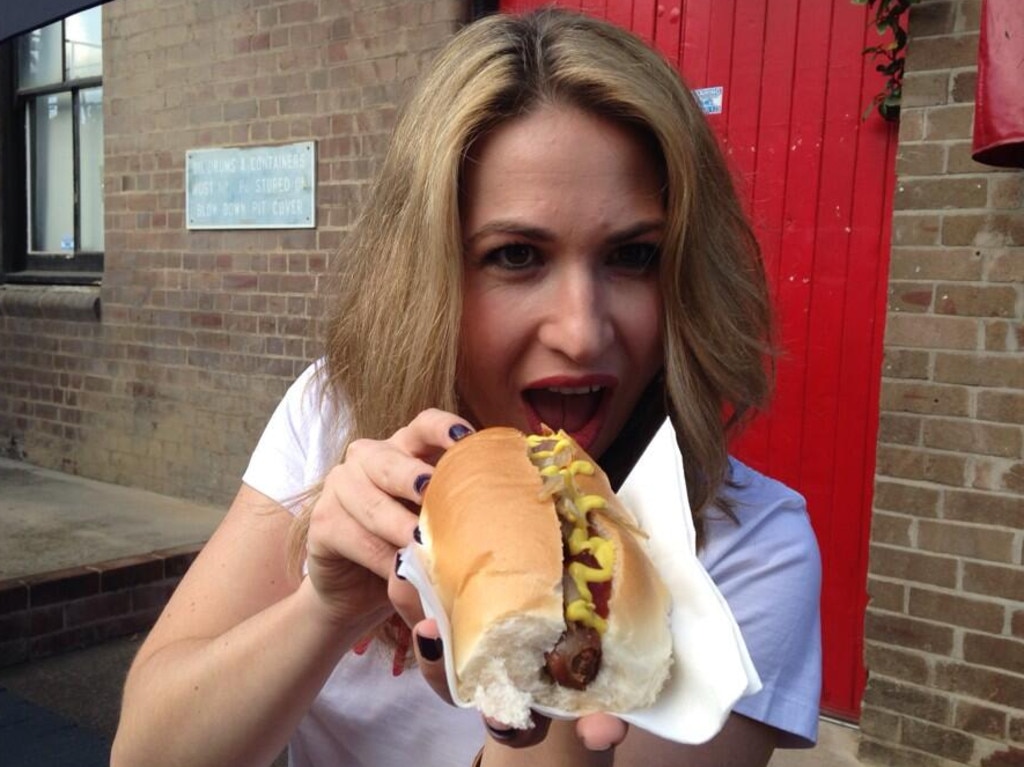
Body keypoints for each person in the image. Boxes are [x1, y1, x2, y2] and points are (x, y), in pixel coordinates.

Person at [111, 8, 821, 767]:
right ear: (431, 273)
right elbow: (145, 753)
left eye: (634, 255)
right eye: (516, 255)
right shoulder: (335, 418)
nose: (582, 332)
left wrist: (531, 710)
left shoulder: (755, 549)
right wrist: (324, 606)